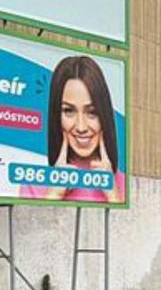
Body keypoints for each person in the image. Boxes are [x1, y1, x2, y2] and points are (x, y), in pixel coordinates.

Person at [20, 56, 124, 204]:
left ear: (104, 116)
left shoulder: (121, 184)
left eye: (92, 112)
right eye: (69, 111)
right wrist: (54, 194)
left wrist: (113, 195)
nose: (81, 127)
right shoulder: (32, 181)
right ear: (56, 115)